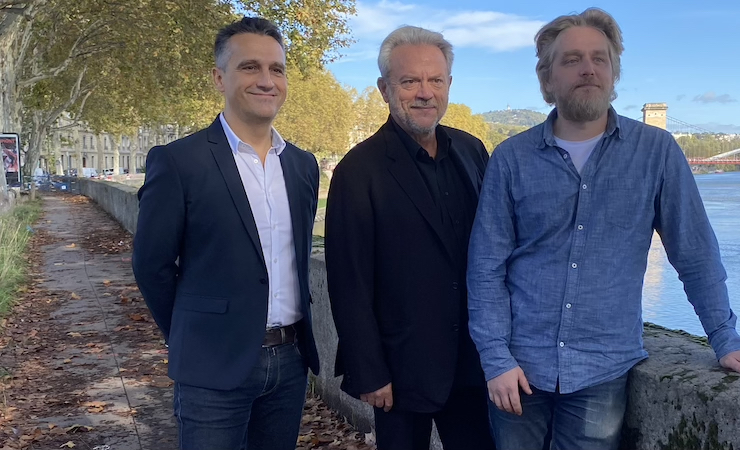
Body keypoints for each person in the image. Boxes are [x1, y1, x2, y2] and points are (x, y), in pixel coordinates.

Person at [467, 8, 740, 450]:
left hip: (602, 370)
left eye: (600, 59)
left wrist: (724, 338)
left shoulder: (657, 151)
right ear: (547, 80)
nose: (588, 69)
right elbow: (486, 267)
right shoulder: (510, 158)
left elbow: (694, 252)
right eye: (572, 59)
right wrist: (495, 358)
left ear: (614, 73)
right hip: (518, 369)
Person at [132, 17, 319, 450]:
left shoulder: (302, 166)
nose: (267, 80)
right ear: (219, 77)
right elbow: (151, 265)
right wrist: (194, 333)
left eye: (277, 69)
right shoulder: (179, 161)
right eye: (250, 67)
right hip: (211, 366)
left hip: (290, 363)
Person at [324, 26, 495, 450]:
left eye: (435, 80)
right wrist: (369, 370)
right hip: (399, 373)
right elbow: (349, 280)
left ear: (449, 85)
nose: (424, 92)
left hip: (473, 365)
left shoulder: (472, 152)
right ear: (384, 89)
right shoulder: (358, 170)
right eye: (409, 81)